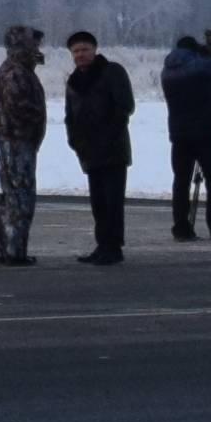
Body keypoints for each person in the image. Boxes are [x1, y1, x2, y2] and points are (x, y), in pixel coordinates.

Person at [58, 30, 138, 264]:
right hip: (88, 150)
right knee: (98, 203)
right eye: (76, 51)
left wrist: (108, 137)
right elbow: (69, 115)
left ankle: (114, 247)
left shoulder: (112, 72)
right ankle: (102, 244)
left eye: (84, 50)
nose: (80, 55)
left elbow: (124, 106)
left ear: (94, 50)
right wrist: (74, 140)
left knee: (113, 202)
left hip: (113, 149)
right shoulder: (73, 80)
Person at [161, 28, 211, 241]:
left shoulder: (167, 71)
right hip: (204, 131)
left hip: (179, 133)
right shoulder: (200, 67)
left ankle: (181, 228)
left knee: (181, 181)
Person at [0, 28, 50, 267]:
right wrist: (36, 120)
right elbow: (21, 109)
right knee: (20, 196)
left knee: (12, 195)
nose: (38, 48)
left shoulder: (15, 70)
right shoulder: (16, 73)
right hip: (17, 142)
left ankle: (10, 249)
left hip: (14, 141)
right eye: (33, 43)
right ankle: (14, 251)